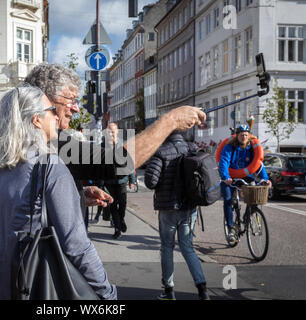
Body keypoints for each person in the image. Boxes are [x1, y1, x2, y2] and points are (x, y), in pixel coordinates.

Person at [0, 86, 116, 300]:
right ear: (37, 120)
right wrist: (107, 293)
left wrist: (77, 195)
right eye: (52, 111)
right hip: (29, 285)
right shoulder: (50, 167)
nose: (57, 117)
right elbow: (76, 245)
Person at [24, 63, 206, 212]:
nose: (76, 108)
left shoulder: (30, 137)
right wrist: (171, 121)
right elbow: (117, 163)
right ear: (46, 99)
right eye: (71, 100)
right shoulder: (50, 141)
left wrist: (77, 194)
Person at [144, 131, 210, 300]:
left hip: (168, 208)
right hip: (189, 207)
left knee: (167, 247)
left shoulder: (160, 152)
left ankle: (169, 290)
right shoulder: (192, 148)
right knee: (188, 247)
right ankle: (202, 289)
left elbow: (150, 181)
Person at [219, 124, 271, 244]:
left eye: (246, 135)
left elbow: (259, 164)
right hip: (230, 178)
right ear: (237, 135)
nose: (244, 137)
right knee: (228, 199)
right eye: (241, 135)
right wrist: (225, 177)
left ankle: (249, 214)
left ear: (249, 136)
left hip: (246, 177)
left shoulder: (252, 148)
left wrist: (265, 179)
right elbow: (224, 162)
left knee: (255, 198)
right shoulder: (229, 147)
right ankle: (231, 227)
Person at [103, 122, 137, 239]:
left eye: (113, 131)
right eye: (109, 131)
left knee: (122, 205)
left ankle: (121, 219)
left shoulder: (123, 145)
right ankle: (117, 228)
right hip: (108, 182)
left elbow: (130, 164)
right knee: (112, 206)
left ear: (117, 131)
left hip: (122, 181)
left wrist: (132, 180)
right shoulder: (102, 145)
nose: (111, 133)